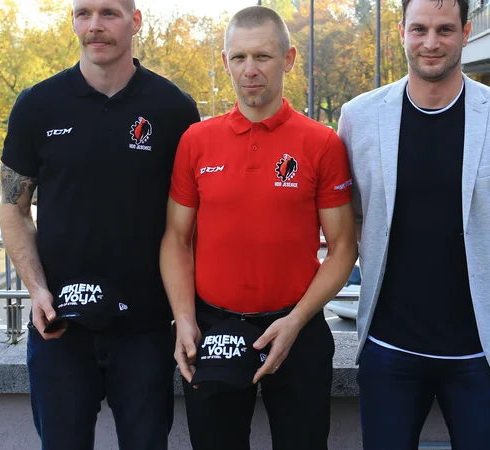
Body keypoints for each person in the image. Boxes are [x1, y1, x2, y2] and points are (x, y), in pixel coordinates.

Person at [337, 0, 490, 447]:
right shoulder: (358, 117)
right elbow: (353, 213)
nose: (431, 43)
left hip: (478, 352)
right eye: (420, 30)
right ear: (401, 32)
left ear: (467, 32)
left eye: (445, 30)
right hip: (389, 347)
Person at [0, 0, 200, 448]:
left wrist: (184, 313)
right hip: (59, 325)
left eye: (108, 12)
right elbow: (13, 207)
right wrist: (37, 291)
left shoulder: (173, 108)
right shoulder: (37, 105)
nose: (94, 26)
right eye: (82, 13)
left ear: (136, 21)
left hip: (145, 328)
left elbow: (189, 222)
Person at [160, 6, 357, 450]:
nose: (250, 71)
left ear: (287, 59)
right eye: (239, 58)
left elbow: (344, 247)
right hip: (213, 328)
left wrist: (297, 320)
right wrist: (185, 318)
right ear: (226, 60)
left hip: (299, 327)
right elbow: (175, 238)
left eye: (263, 57)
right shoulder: (196, 141)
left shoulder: (321, 143)